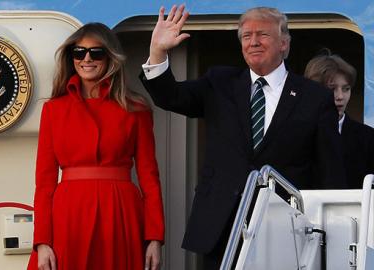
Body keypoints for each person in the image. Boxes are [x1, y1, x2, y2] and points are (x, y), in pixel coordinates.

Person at [139, 5, 346, 269]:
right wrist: (157, 52)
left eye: (263, 35)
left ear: (284, 43)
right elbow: (171, 96)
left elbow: (331, 172)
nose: (253, 42)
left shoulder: (315, 98)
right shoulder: (220, 83)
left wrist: (329, 234)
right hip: (222, 227)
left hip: (286, 230)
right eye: (246, 36)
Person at [28, 22, 165, 270]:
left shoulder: (136, 109)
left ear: (110, 57)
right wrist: (42, 241)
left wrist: (154, 237)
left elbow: (149, 178)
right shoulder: (53, 110)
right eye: (79, 52)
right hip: (68, 215)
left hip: (120, 212)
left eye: (96, 52)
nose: (86, 59)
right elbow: (45, 183)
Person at [305, 52, 374, 188]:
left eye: (346, 89)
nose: (340, 96)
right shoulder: (297, 133)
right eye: (332, 89)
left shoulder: (368, 137)